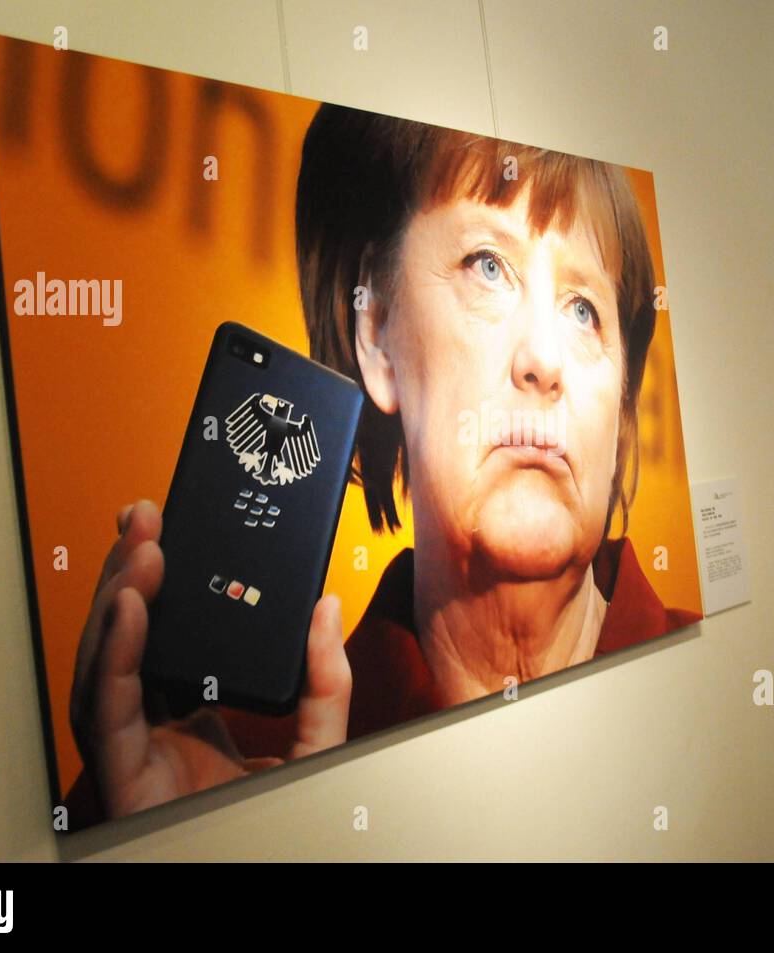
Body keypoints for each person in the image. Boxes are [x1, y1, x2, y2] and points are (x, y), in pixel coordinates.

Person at [63, 104, 698, 827]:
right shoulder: (220, 762)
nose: (544, 360)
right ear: (374, 330)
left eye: (584, 310)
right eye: (488, 267)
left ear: (619, 410)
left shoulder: (720, 686)